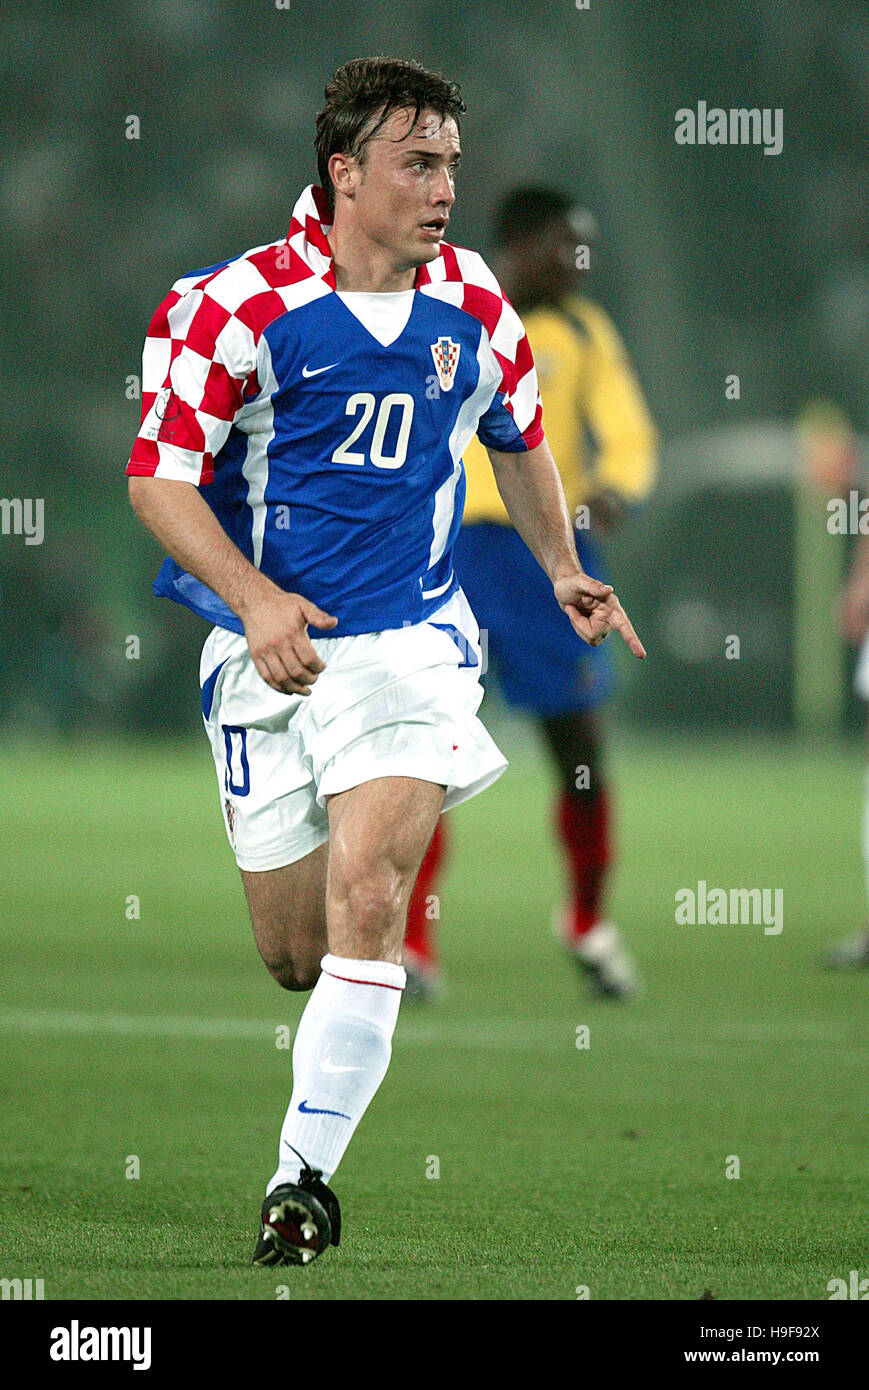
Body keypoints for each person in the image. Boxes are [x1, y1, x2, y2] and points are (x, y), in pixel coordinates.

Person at [125, 58, 646, 1268]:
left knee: (374, 892)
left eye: (452, 163)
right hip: (265, 655)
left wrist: (561, 564)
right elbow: (157, 474)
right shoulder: (227, 306)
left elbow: (514, 437)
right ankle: (324, 1061)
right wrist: (253, 601)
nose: (444, 188)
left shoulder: (471, 301)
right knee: (294, 954)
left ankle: (299, 1181)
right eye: (417, 162)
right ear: (343, 174)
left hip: (409, 650)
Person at [404, 189, 657, 1000]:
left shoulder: (584, 331)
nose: (583, 262)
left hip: (552, 556)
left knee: (577, 749)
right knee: (427, 749)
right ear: (520, 246)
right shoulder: (449, 312)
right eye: (569, 246)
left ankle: (587, 924)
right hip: (452, 553)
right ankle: (411, 945)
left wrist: (616, 485)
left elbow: (627, 431)